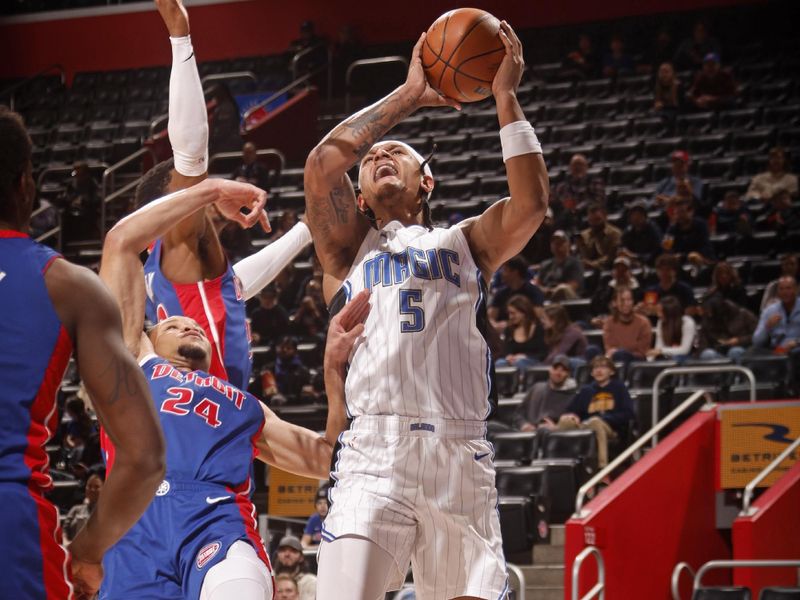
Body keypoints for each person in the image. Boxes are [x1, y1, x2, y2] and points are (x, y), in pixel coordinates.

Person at [304, 21, 547, 600]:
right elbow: (320, 165)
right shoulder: (346, 251)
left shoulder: (468, 242)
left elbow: (532, 204)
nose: (383, 152)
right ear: (358, 196)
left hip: (458, 452)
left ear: (427, 181)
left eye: (401, 154)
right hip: (373, 451)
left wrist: (504, 97)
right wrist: (411, 94)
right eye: (373, 158)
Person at [97, 176, 369, 600]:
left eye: (194, 324)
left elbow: (328, 459)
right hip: (133, 527)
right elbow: (120, 242)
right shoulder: (134, 365)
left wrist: (334, 371)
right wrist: (209, 192)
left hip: (214, 519)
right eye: (173, 323)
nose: (189, 322)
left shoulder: (246, 406)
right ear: (149, 337)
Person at [0, 106, 166, 599]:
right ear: (27, 183)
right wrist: (87, 551)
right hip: (11, 530)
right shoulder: (67, 285)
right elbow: (144, 455)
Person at [132, 0, 313, 394]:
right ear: (165, 210)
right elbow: (190, 159)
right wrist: (181, 38)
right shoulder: (175, 246)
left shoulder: (170, 275)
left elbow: (236, 286)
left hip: (200, 417)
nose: (204, 206)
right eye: (189, 196)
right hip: (202, 417)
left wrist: (305, 230)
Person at [556, 355, 634, 469]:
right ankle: (561, 466)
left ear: (611, 372)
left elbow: (628, 413)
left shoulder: (619, 388)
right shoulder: (586, 390)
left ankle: (602, 470)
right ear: (592, 373)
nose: (598, 370)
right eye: (595, 368)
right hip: (585, 425)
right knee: (565, 421)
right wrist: (572, 416)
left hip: (611, 429)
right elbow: (571, 410)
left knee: (595, 422)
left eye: (603, 367)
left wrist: (604, 419)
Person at [512, 355, 577, 431]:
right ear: (550, 369)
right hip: (529, 433)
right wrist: (524, 425)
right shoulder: (536, 388)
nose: (558, 372)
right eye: (555, 368)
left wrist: (556, 428)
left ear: (568, 374)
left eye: (563, 370)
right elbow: (518, 413)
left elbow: (573, 424)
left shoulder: (573, 396)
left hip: (553, 436)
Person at [488, 254, 545, 331]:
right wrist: (495, 326)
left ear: (515, 272)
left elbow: (537, 316)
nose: (501, 273)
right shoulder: (500, 293)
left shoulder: (534, 292)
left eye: (505, 270)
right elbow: (490, 317)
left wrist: (508, 325)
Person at [551, 153, 605, 233]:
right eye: (575, 165)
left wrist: (578, 207)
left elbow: (598, 200)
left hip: (586, 214)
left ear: (586, 167)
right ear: (570, 167)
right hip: (566, 217)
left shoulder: (594, 182)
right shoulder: (563, 186)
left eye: (580, 164)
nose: (577, 167)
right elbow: (557, 201)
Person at [603, 287, 653, 365]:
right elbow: (610, 349)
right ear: (614, 303)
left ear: (633, 302)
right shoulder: (609, 323)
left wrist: (621, 350)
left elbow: (642, 351)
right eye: (622, 300)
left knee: (621, 354)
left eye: (629, 300)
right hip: (615, 361)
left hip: (638, 362)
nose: (626, 303)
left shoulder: (643, 322)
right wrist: (631, 347)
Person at [697, 296, 756, 363]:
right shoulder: (707, 320)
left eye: (710, 312)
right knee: (707, 354)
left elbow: (756, 336)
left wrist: (739, 340)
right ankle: (718, 373)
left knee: (735, 351)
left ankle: (737, 373)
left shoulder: (744, 315)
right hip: (718, 351)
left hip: (743, 348)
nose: (709, 315)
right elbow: (703, 343)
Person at [497, 294, 548, 370]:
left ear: (524, 312)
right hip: (512, 361)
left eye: (513, 313)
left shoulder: (538, 328)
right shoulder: (509, 329)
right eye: (509, 313)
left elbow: (543, 353)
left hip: (531, 361)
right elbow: (505, 350)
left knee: (520, 363)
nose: (510, 317)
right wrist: (508, 356)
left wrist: (525, 356)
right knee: (500, 363)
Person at [535, 230, 584, 300]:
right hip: (545, 295)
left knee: (563, 289)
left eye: (561, 242)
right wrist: (543, 290)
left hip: (568, 299)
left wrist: (552, 291)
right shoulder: (545, 264)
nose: (557, 245)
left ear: (569, 244)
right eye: (554, 243)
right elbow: (537, 283)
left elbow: (572, 287)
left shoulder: (575, 263)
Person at [663, 197, 714, 262]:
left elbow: (705, 247)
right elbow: (666, 247)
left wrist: (685, 256)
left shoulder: (701, 224)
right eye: (677, 213)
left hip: (701, 259)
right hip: (680, 262)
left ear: (691, 211)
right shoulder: (672, 228)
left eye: (682, 212)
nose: (679, 216)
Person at [647, 295, 696, 362]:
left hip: (686, 358)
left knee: (676, 358)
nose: (658, 315)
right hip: (667, 357)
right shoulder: (661, 322)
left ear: (669, 312)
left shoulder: (687, 322)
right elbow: (658, 347)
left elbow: (685, 350)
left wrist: (661, 351)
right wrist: (649, 361)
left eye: (661, 312)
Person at [577, 202, 622, 271]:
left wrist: (593, 264)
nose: (594, 223)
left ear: (605, 217)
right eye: (591, 220)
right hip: (587, 269)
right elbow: (583, 256)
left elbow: (611, 256)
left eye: (597, 220)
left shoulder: (615, 233)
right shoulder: (584, 235)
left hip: (608, 269)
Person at [619, 200, 663, 266]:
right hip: (632, 262)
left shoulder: (653, 230)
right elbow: (622, 246)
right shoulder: (628, 230)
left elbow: (656, 252)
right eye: (633, 214)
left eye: (639, 214)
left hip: (650, 263)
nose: (636, 217)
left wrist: (637, 257)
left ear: (645, 216)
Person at [63, 473, 104, 542]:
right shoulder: (75, 509)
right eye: (89, 486)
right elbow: (64, 531)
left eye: (96, 487)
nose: (92, 489)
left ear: (103, 489)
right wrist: (67, 544)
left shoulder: (107, 512)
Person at [273, 536, 316, 600]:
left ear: (301, 557)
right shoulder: (270, 578)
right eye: (283, 550)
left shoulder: (309, 582)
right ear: (277, 555)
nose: (287, 554)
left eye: (293, 551)